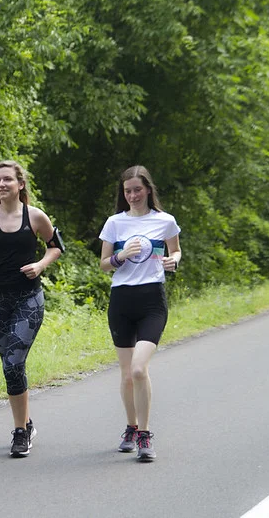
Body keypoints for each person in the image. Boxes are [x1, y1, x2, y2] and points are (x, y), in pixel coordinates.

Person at [0, 161, 63, 458]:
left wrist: (40, 265)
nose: (2, 185)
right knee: (11, 367)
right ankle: (27, 423)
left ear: (20, 184)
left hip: (29, 299)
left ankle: (20, 432)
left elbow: (56, 246)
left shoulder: (35, 216)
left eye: (7, 179)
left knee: (12, 363)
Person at [98, 165, 181, 462]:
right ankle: (131, 428)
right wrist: (121, 256)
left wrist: (173, 261)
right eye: (127, 191)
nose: (132, 195)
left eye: (137, 190)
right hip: (122, 301)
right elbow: (104, 264)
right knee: (126, 374)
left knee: (138, 369)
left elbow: (175, 250)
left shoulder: (165, 221)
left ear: (147, 189)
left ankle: (145, 434)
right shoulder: (115, 223)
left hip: (151, 301)